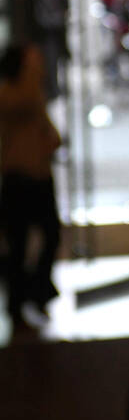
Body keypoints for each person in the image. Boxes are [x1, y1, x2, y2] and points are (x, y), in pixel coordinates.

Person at [0, 41, 63, 326]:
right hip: (19, 177)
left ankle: (33, 292)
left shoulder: (30, 95)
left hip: (36, 175)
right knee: (20, 242)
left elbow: (47, 130)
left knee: (47, 235)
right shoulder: (12, 95)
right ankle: (22, 298)